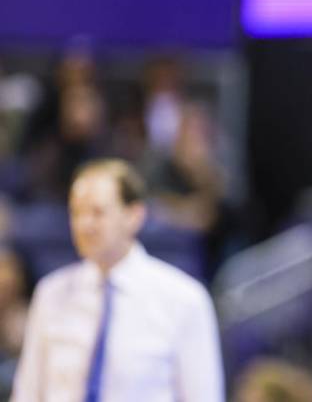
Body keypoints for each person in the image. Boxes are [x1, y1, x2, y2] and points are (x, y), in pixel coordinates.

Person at [11, 158, 224, 401]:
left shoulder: (184, 300)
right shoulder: (51, 293)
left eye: (97, 212)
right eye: (76, 212)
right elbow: (27, 393)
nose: (84, 224)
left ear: (134, 216)